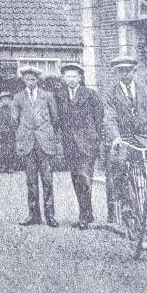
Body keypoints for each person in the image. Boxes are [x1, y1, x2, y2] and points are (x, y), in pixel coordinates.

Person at [103, 55, 147, 219]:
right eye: (121, 71)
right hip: (125, 139)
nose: (125, 74)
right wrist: (116, 137)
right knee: (120, 164)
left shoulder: (145, 89)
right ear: (117, 73)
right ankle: (126, 204)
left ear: (134, 71)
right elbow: (110, 118)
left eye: (128, 71)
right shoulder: (110, 93)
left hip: (146, 138)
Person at [55, 62, 105, 229]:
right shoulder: (60, 95)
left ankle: (84, 216)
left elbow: (99, 118)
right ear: (63, 78)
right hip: (69, 144)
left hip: (86, 144)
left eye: (74, 76)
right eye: (68, 76)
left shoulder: (90, 94)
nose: (71, 79)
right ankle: (86, 213)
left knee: (84, 177)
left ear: (80, 78)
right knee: (76, 179)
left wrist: (94, 138)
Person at [12, 67, 60, 227]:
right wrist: (22, 138)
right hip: (28, 144)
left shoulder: (48, 96)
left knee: (47, 180)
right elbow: (15, 120)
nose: (31, 82)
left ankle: (50, 215)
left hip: (44, 143)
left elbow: (55, 119)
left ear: (37, 80)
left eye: (33, 79)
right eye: (27, 79)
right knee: (31, 181)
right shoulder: (18, 98)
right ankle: (33, 215)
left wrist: (49, 136)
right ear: (23, 80)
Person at [0, 91, 18, 173]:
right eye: (3, 99)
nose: (5, 101)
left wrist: (14, 129)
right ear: (1, 101)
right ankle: (4, 165)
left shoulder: (12, 109)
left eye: (6, 99)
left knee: (11, 148)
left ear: (9, 100)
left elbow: (15, 121)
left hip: (11, 132)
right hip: (1, 132)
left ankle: (11, 166)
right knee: (3, 149)